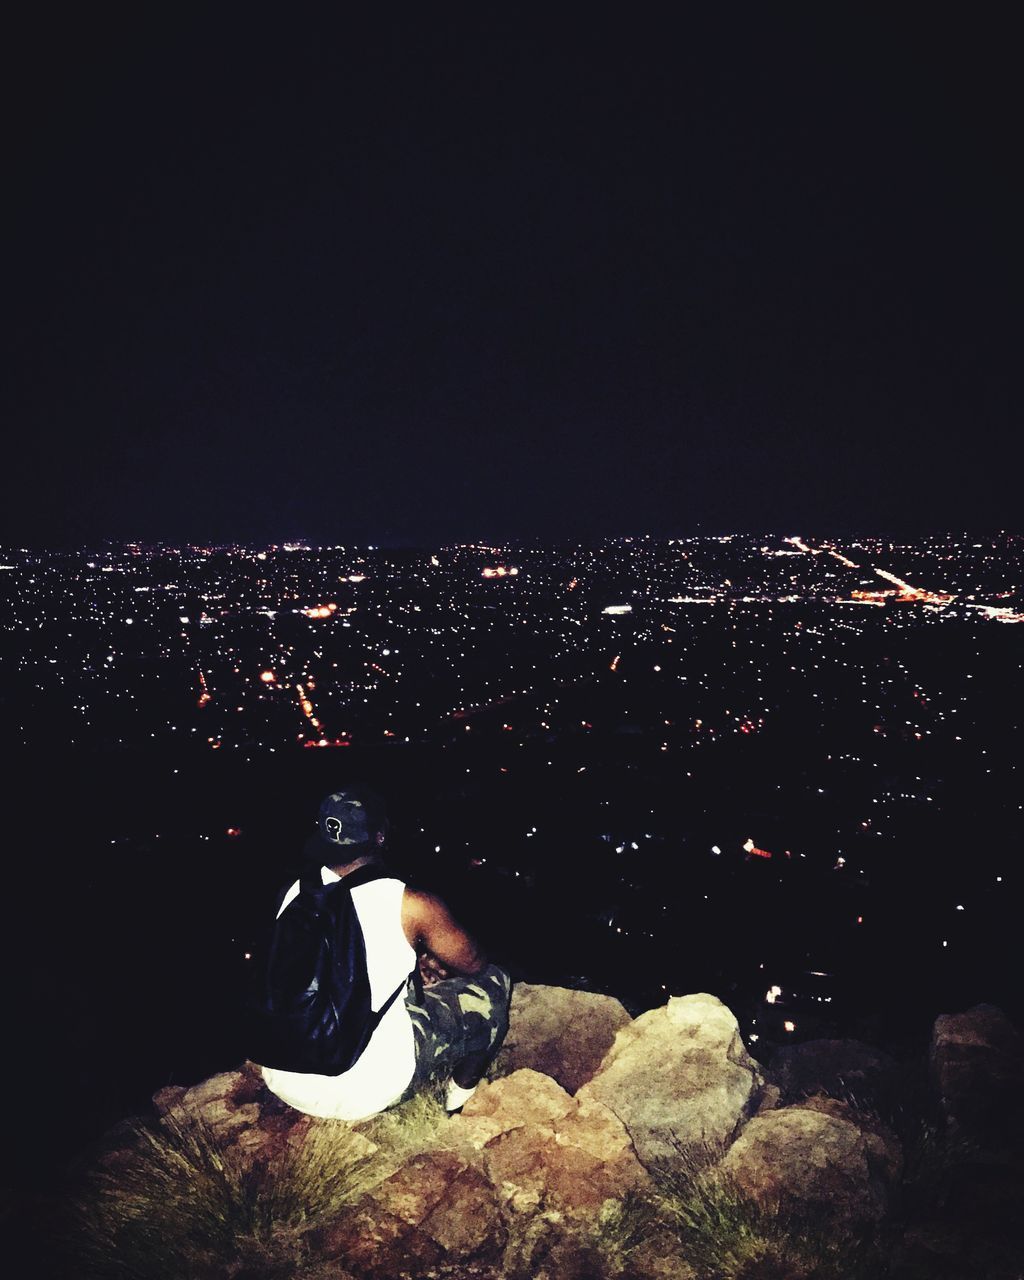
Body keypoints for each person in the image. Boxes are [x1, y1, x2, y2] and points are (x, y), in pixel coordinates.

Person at [258, 785, 511, 1121]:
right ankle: (455, 1103)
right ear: (379, 837)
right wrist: (433, 957)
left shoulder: (292, 892)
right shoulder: (412, 903)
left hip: (284, 1077)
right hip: (366, 1089)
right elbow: (474, 962)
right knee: (495, 981)